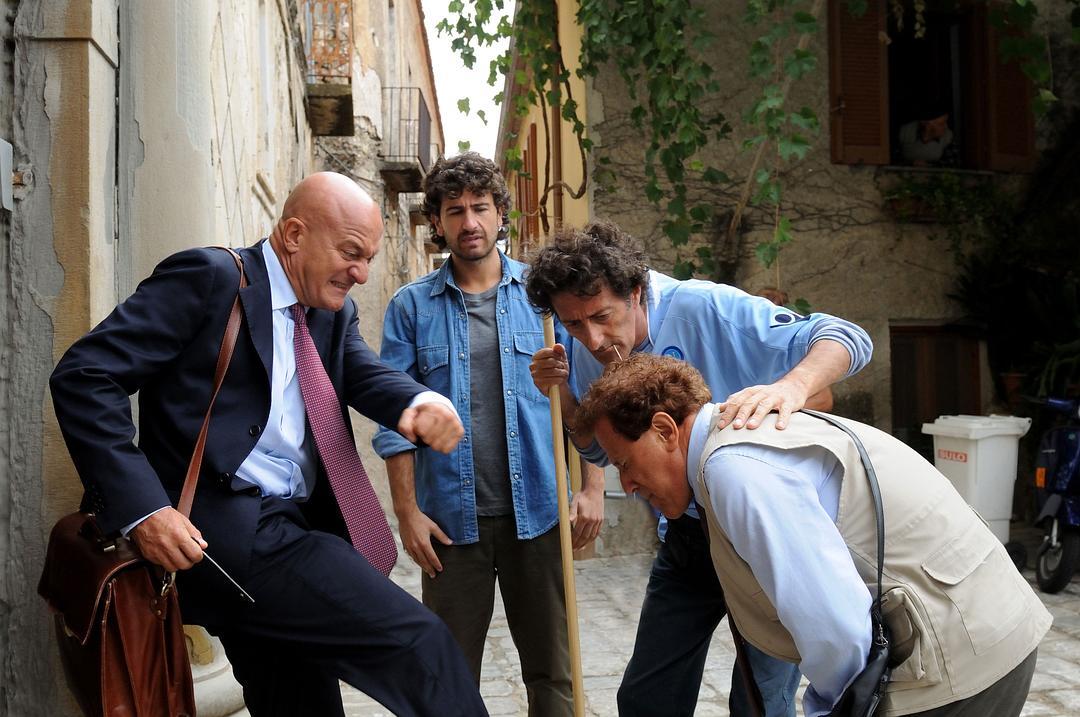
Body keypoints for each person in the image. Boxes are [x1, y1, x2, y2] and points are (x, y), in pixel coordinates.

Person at [49, 172, 488, 717]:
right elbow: (86, 376)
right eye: (351, 253)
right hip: (226, 538)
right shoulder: (210, 279)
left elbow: (359, 370)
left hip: (288, 527)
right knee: (421, 647)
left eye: (369, 258)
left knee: (299, 702)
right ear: (295, 235)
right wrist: (144, 510)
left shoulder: (329, 311)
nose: (362, 273)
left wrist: (416, 401)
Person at [574, 353, 1052, 717]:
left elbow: (836, 629)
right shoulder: (730, 446)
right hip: (983, 631)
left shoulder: (734, 468)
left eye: (624, 464)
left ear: (664, 430)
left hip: (962, 658)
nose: (628, 485)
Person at [526, 221, 873, 717]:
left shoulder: (706, 307)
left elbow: (846, 337)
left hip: (769, 524)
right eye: (575, 324)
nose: (593, 339)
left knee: (759, 703)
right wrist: (561, 394)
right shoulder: (584, 352)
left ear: (636, 291)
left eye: (602, 316)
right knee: (646, 698)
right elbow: (602, 454)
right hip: (688, 536)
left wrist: (791, 388)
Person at [373, 152, 602, 715]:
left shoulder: (545, 299)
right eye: (455, 211)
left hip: (542, 515)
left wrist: (592, 488)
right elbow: (395, 420)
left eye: (480, 207)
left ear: (502, 213)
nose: (469, 221)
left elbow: (587, 396)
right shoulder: (411, 308)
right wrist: (407, 512)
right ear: (437, 221)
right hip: (451, 526)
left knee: (554, 674)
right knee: (447, 680)